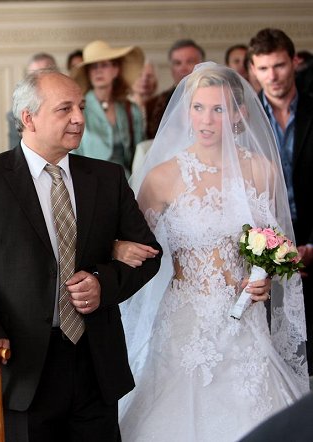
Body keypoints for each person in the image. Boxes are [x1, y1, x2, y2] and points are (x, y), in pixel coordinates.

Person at [0, 68, 161, 442]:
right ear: (28, 118)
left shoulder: (106, 177)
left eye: (82, 107)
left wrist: (104, 283)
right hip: (21, 363)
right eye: (65, 109)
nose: (79, 118)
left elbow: (150, 254)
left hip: (95, 360)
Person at [117, 63, 309, 442]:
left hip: (245, 320)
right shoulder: (163, 177)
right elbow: (132, 245)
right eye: (198, 108)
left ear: (238, 114)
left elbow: (273, 243)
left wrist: (265, 277)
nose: (206, 120)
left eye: (218, 109)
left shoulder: (262, 171)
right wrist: (120, 247)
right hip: (186, 321)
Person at [248, 28, 313, 374]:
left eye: (279, 66)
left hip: (311, 243)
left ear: (294, 62)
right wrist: (272, 251)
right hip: (264, 254)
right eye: (263, 69)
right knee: (276, 356)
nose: (272, 76)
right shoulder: (242, 122)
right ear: (252, 71)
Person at [71, 40, 145, 176]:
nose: (98, 71)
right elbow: (71, 153)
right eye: (93, 67)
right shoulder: (78, 110)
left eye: (104, 65)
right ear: (88, 73)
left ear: (116, 70)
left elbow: (140, 154)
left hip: (125, 182)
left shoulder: (130, 109)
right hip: (89, 181)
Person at [145, 39, 205, 139]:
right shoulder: (154, 104)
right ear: (171, 69)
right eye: (177, 63)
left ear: (202, 65)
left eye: (189, 62)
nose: (183, 68)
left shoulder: (216, 99)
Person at [7, 52, 59, 148]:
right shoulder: (16, 114)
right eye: (34, 76)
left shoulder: (75, 104)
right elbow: (15, 151)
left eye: (45, 73)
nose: (40, 80)